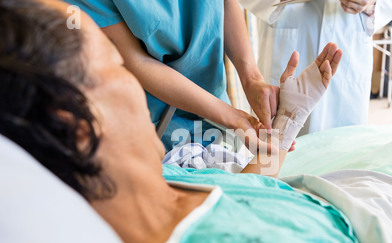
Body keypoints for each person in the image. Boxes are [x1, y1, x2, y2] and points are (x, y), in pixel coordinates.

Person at [0, 0, 392, 243]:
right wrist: (238, 117)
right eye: (117, 70)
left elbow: (250, 187)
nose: (133, 84)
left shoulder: (183, 177)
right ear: (77, 123)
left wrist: (286, 117)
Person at [65, 0, 281, 153]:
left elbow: (226, 2)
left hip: (216, 109)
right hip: (157, 123)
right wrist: (232, 117)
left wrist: (251, 78)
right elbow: (137, 62)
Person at [239, 0, 392, 134]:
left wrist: (372, 3)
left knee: (343, 154)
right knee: (278, 151)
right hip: (290, 26)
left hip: (349, 37)